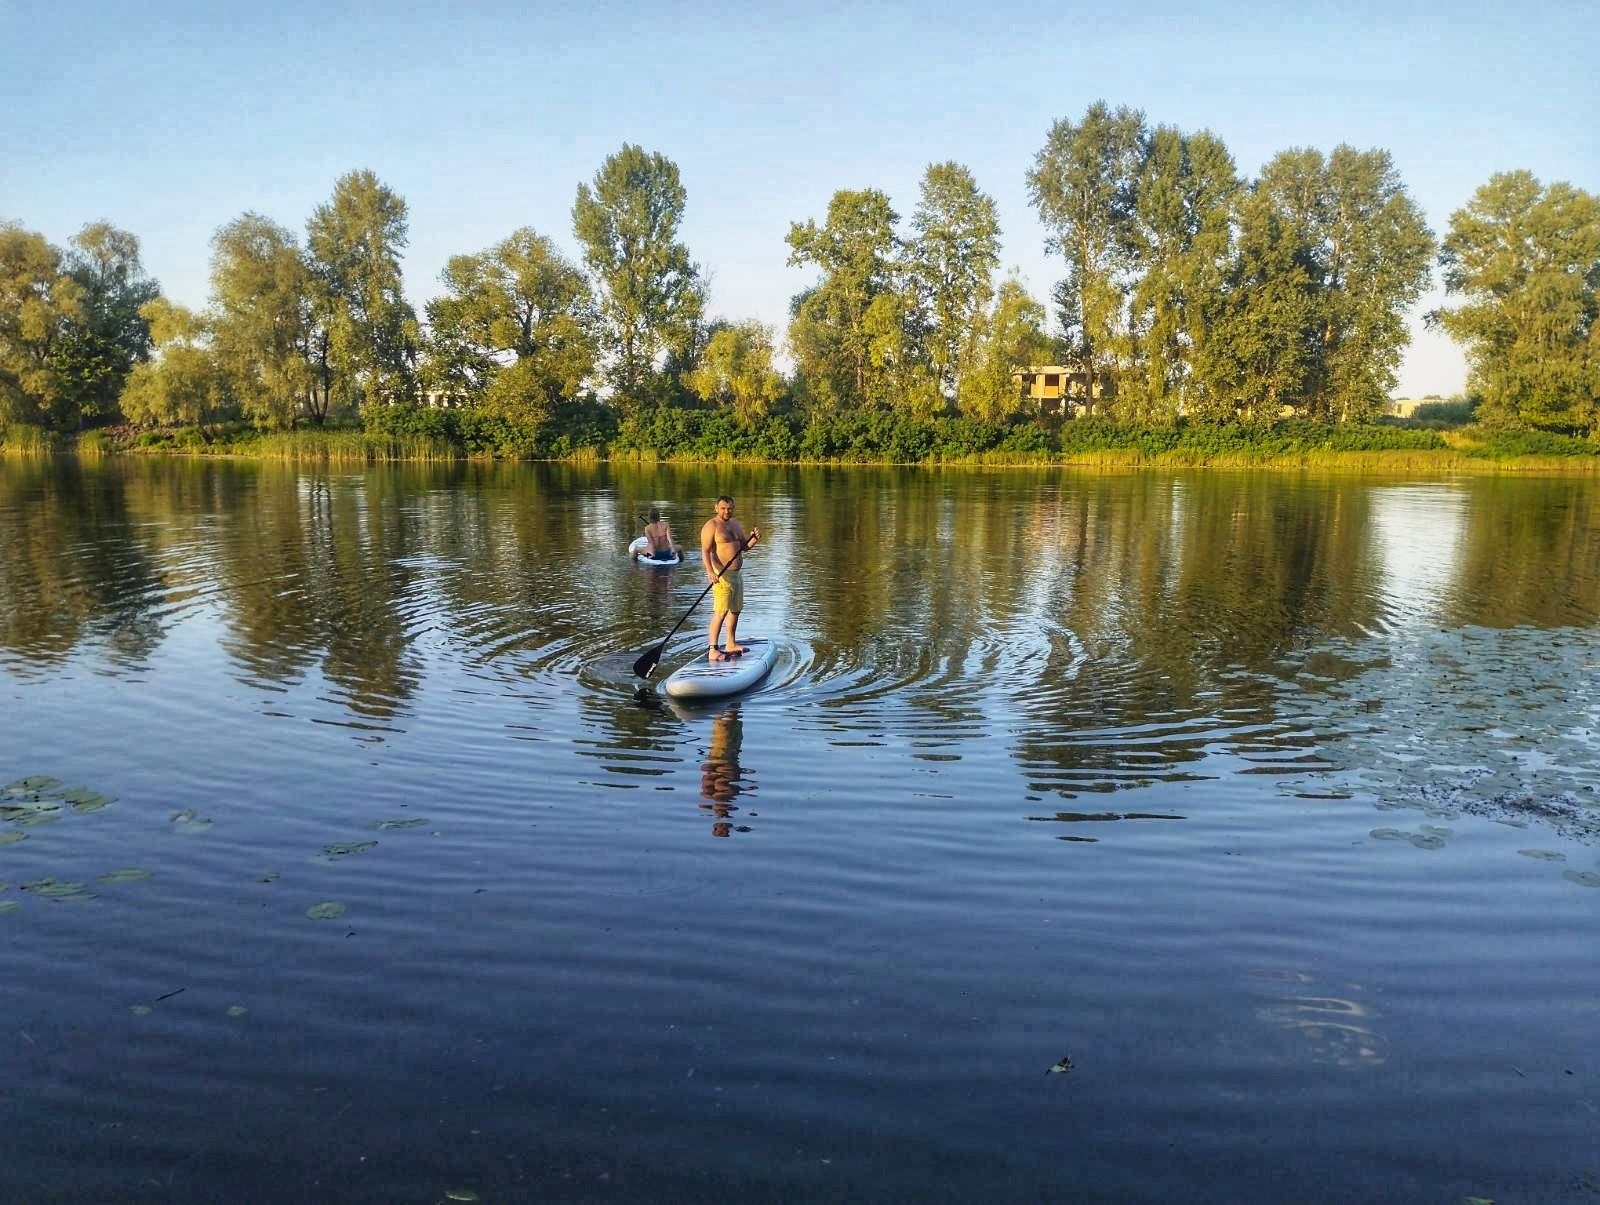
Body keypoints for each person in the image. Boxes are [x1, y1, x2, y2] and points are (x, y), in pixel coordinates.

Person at [700, 494, 760, 662]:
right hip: (721, 576)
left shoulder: (735, 524)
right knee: (720, 612)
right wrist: (709, 571)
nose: (727, 511)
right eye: (723, 508)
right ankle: (713, 649)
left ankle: (730, 643)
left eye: (730, 508)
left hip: (737, 575)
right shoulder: (711, 526)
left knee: (735, 610)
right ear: (716, 508)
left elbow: (744, 547)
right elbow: (705, 550)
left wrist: (754, 540)